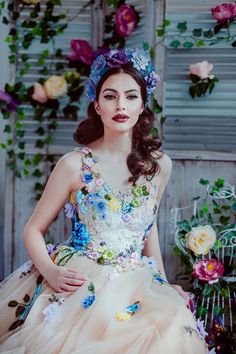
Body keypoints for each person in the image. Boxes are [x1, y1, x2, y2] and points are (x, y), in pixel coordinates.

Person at [0, 48, 208, 353]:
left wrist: (163, 283)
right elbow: (33, 229)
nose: (120, 105)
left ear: (142, 104)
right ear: (97, 105)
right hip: (83, 275)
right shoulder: (74, 165)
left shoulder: (159, 165)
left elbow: (146, 227)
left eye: (131, 96)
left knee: (173, 323)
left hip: (138, 279)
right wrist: (51, 271)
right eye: (110, 96)